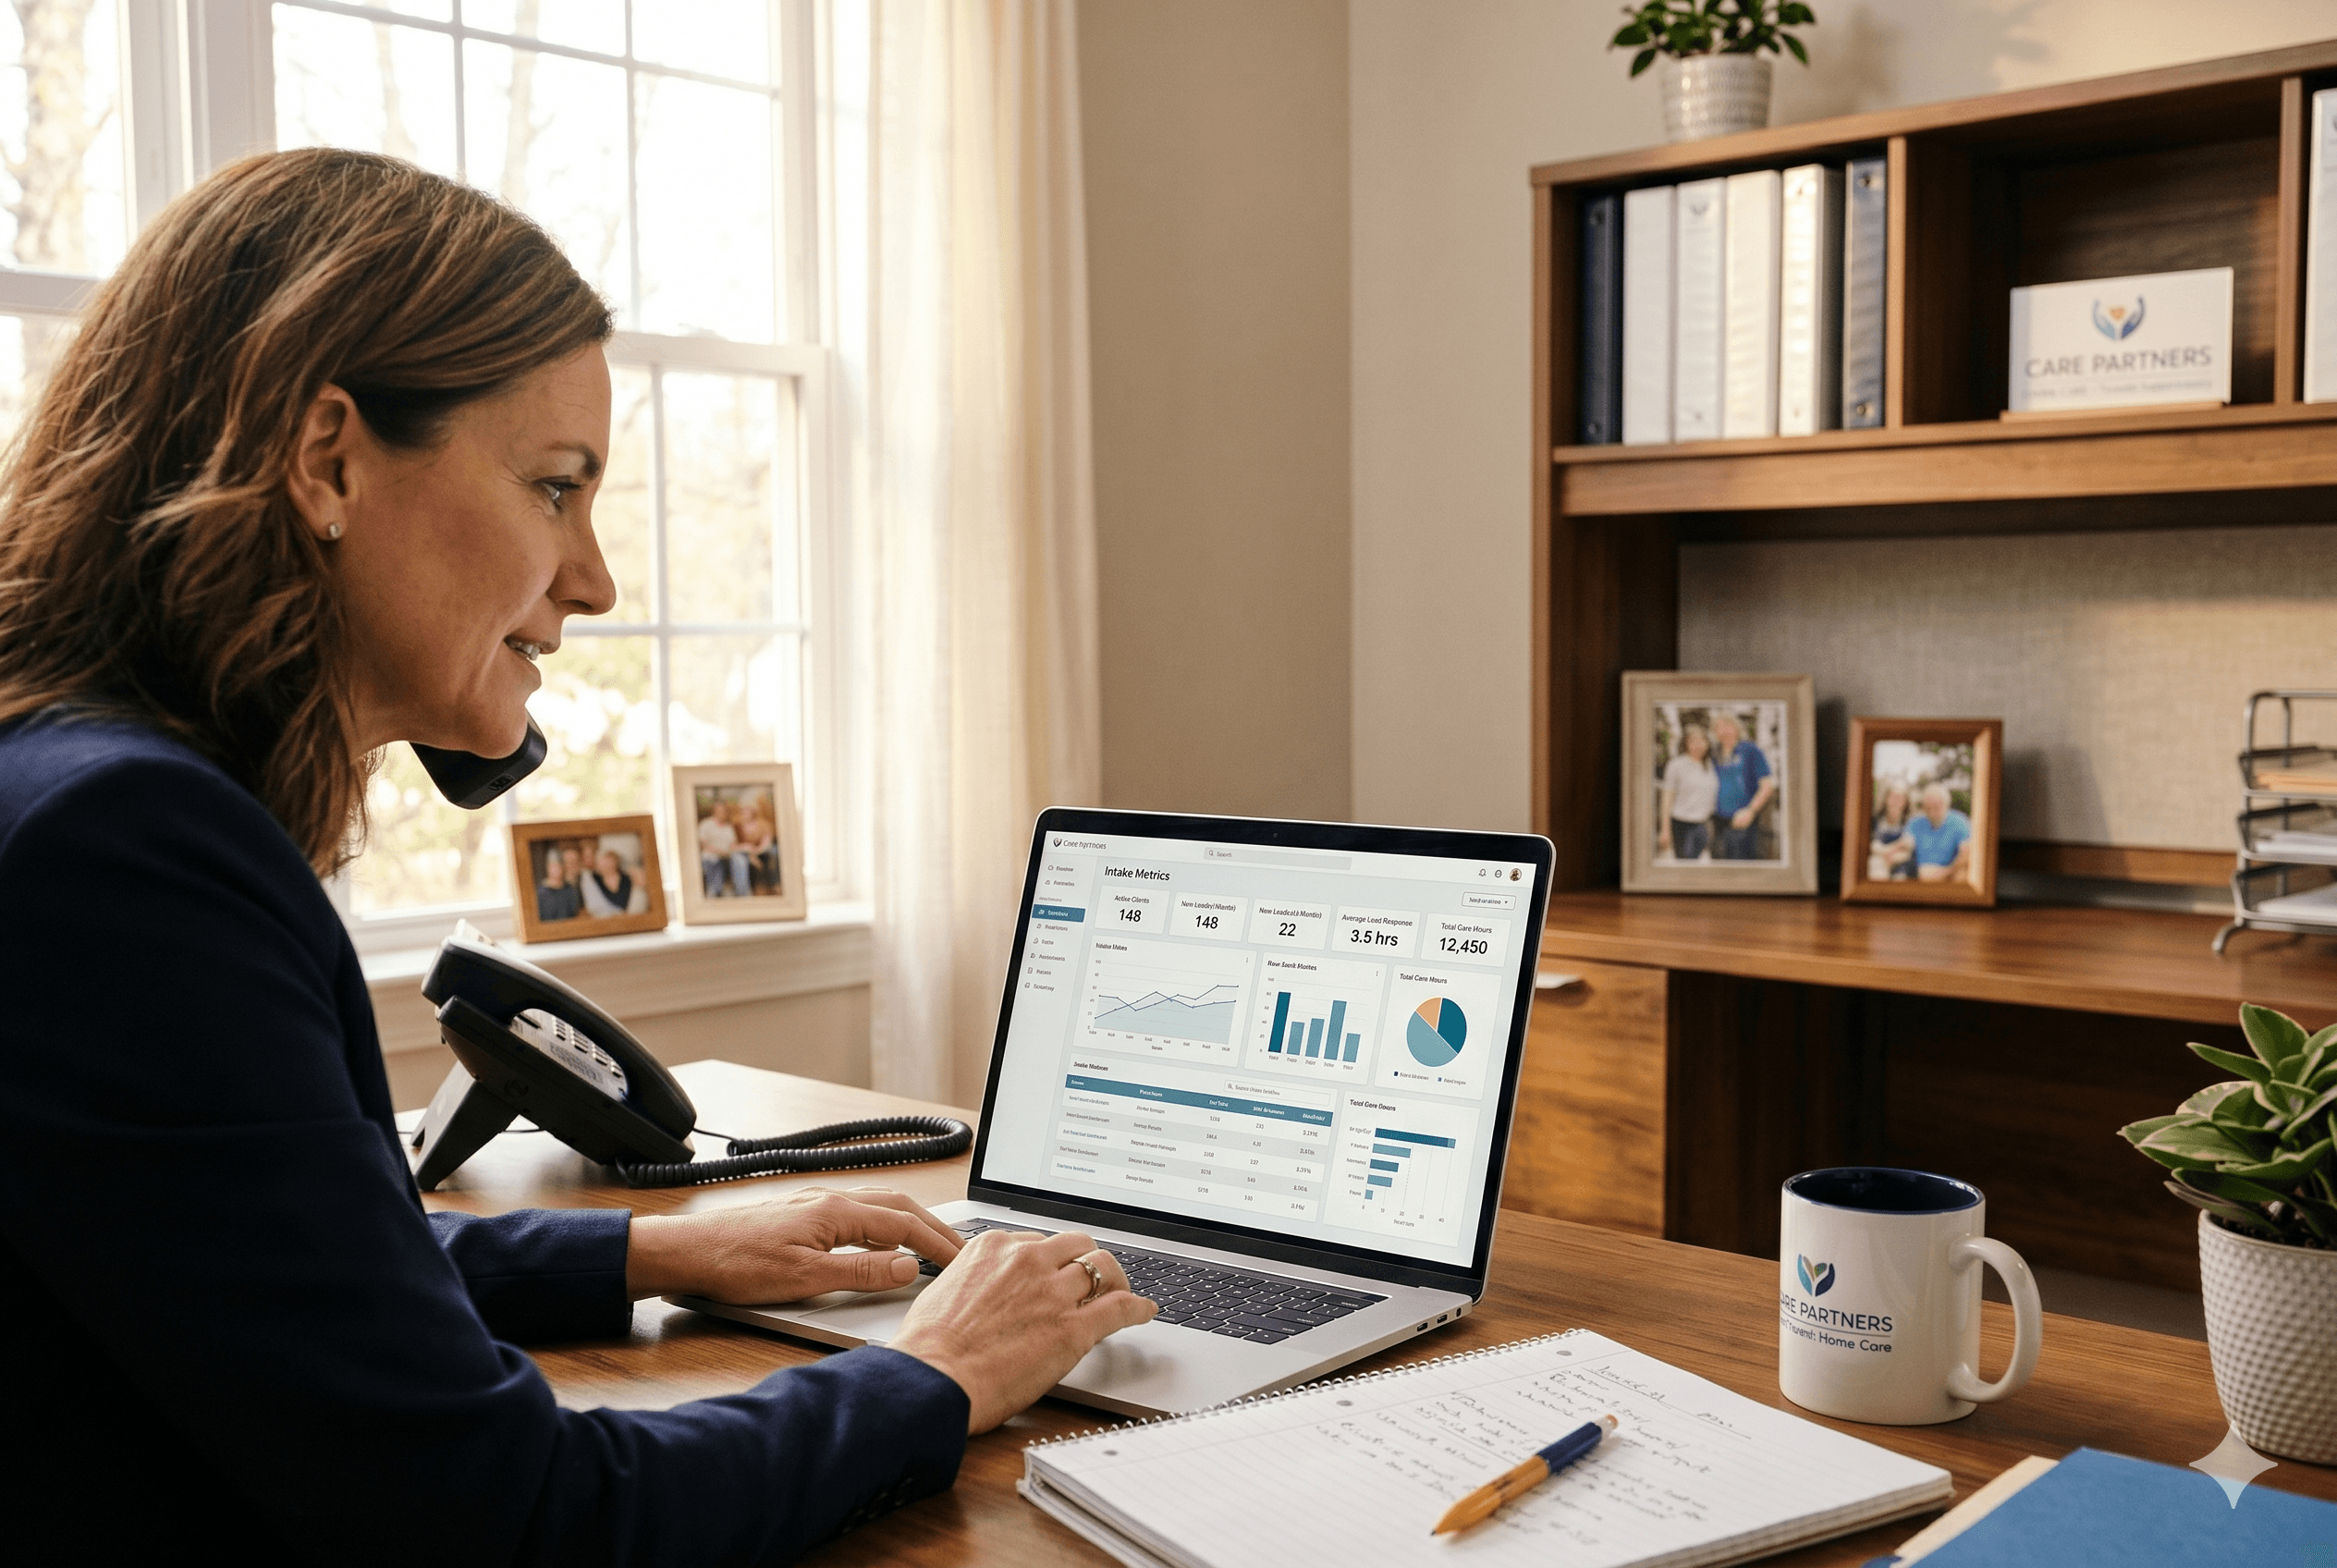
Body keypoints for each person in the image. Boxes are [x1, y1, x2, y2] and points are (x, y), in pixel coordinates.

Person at [0, 149, 1153, 1564]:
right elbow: (512, 1518)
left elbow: (250, 1263)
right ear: (328, 461)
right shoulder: (133, 857)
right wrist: (936, 1374)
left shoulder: (64, 793)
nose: (596, 580)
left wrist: (652, 1251)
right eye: (555, 488)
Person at [1708, 710, 1778, 861]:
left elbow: (1767, 786)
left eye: (1727, 725)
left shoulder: (1750, 750)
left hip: (1744, 822)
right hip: (1718, 822)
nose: (1723, 731)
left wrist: (1750, 811)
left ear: (1737, 728)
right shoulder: (1714, 755)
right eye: (1718, 727)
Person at [1656, 724, 1717, 863]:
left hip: (1704, 825)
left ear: (1708, 743)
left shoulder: (1711, 766)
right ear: (1685, 743)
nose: (1698, 745)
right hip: (1682, 825)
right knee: (1685, 865)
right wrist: (1665, 830)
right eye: (1693, 741)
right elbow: (1666, 799)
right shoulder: (1676, 765)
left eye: (1702, 741)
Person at [1907, 782, 1975, 884]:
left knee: (1962, 875)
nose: (1931, 813)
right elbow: (1904, 846)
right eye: (1928, 808)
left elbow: (1967, 854)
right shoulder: (1915, 822)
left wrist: (1944, 872)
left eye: (1936, 807)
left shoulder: (1960, 821)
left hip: (1950, 872)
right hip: (1919, 872)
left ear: (1946, 804)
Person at [699, 796, 752, 897]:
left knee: (740, 859)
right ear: (715, 811)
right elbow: (703, 845)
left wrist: (745, 847)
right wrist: (720, 852)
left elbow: (732, 846)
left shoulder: (728, 827)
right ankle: (714, 891)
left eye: (724, 810)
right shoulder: (706, 824)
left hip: (728, 856)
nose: (723, 813)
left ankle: (743, 893)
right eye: (721, 810)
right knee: (711, 859)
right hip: (712, 855)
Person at [1868, 782, 1916, 881]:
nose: (1896, 802)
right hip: (1879, 861)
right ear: (1886, 799)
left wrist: (1893, 858)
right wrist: (1898, 845)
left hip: (1901, 864)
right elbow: (1874, 847)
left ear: (1906, 803)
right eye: (1893, 797)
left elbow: (1909, 851)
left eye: (1900, 798)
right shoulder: (1874, 820)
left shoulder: (1909, 823)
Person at [734, 796, 779, 894]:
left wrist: (755, 853)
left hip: (762, 851)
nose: (746, 813)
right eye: (744, 811)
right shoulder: (737, 826)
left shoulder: (762, 824)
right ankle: (759, 889)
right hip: (747, 853)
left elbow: (767, 841)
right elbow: (735, 845)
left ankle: (774, 887)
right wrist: (750, 854)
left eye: (748, 810)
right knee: (748, 862)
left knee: (768, 856)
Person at [579, 846, 639, 917]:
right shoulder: (591, 878)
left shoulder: (626, 879)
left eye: (609, 860)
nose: (605, 864)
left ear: (616, 862)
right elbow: (592, 907)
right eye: (603, 861)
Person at [536, 846, 583, 921]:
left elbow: (576, 914)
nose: (557, 869)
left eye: (560, 865)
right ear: (548, 867)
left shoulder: (571, 889)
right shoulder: (540, 893)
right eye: (554, 866)